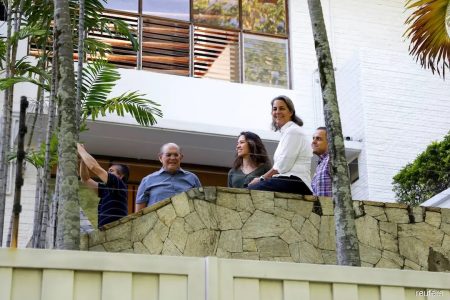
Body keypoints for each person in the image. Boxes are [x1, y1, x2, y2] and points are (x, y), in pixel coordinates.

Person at [248, 95, 313, 195]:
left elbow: (283, 166)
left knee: (251, 190)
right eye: (275, 109)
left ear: (291, 112)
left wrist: (261, 178)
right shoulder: (288, 132)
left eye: (282, 108)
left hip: (296, 182)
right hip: (288, 181)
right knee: (249, 188)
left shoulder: (293, 131)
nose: (277, 112)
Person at [135, 143, 201, 211]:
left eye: (176, 155)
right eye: (168, 155)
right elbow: (139, 213)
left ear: (181, 157)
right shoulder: (147, 181)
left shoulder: (192, 178)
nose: (172, 158)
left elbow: (200, 205)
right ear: (160, 158)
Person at [77, 143, 129, 228]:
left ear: (120, 176)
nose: (108, 173)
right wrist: (83, 158)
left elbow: (93, 167)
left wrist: (80, 148)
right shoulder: (106, 189)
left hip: (116, 230)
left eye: (111, 171)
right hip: (106, 231)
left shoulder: (118, 184)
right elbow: (85, 179)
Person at [311, 127, 332, 196]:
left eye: (318, 138)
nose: (313, 142)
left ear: (329, 142)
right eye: (313, 138)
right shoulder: (320, 165)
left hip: (330, 206)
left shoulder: (332, 160)